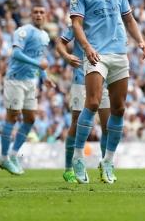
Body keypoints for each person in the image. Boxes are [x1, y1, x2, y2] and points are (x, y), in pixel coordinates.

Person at [69, 0, 145, 184]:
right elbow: (76, 24)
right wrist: (87, 47)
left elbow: (128, 19)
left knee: (119, 109)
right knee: (93, 102)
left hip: (119, 53)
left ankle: (108, 161)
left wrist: (141, 41)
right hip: (96, 54)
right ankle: (78, 157)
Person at [0, 5, 54, 175]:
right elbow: (16, 53)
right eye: (35, 12)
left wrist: (45, 77)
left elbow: (39, 58)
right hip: (15, 79)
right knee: (13, 116)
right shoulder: (24, 31)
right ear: (31, 15)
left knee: (30, 118)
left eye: (42, 12)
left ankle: (14, 154)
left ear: (46, 15)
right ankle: (3, 158)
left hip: (30, 81)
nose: (38, 15)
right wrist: (38, 64)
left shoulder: (45, 36)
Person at [56, 18, 111, 183]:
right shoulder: (77, 25)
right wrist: (66, 56)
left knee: (107, 125)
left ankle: (106, 165)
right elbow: (60, 43)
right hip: (81, 77)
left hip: (104, 79)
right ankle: (69, 169)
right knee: (76, 123)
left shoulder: (109, 23)